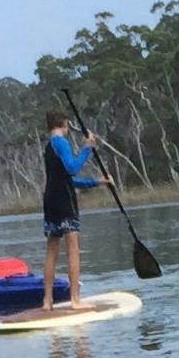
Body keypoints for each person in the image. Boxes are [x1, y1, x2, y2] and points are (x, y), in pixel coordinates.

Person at [41, 115, 103, 309]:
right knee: (73, 250)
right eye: (67, 125)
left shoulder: (48, 146)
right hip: (65, 202)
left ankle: (47, 300)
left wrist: (97, 182)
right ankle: (75, 300)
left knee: (51, 251)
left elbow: (66, 179)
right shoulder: (61, 142)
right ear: (63, 125)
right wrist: (87, 148)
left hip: (50, 199)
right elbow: (72, 169)